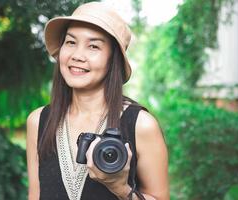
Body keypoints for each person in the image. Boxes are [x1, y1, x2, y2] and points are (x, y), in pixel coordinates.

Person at [26, 2, 169, 200]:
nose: (77, 55)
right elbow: (35, 196)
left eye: (93, 46)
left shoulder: (141, 125)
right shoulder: (38, 121)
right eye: (70, 42)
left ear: (113, 60)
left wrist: (120, 188)